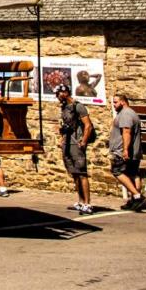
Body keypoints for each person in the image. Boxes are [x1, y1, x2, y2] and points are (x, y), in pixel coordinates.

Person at [55, 83, 94, 215]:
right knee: (74, 173)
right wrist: (62, 139)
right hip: (67, 144)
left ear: (65, 93)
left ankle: (88, 203)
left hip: (76, 143)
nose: (58, 97)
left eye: (59, 94)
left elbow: (87, 125)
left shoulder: (78, 106)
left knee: (82, 173)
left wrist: (83, 141)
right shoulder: (65, 107)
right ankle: (81, 201)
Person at [108, 93, 146, 211]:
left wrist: (125, 150)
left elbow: (126, 132)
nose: (114, 105)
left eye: (115, 102)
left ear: (123, 102)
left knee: (117, 171)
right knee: (133, 174)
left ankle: (137, 196)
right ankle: (134, 201)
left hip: (123, 151)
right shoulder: (130, 113)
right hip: (133, 150)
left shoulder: (125, 114)